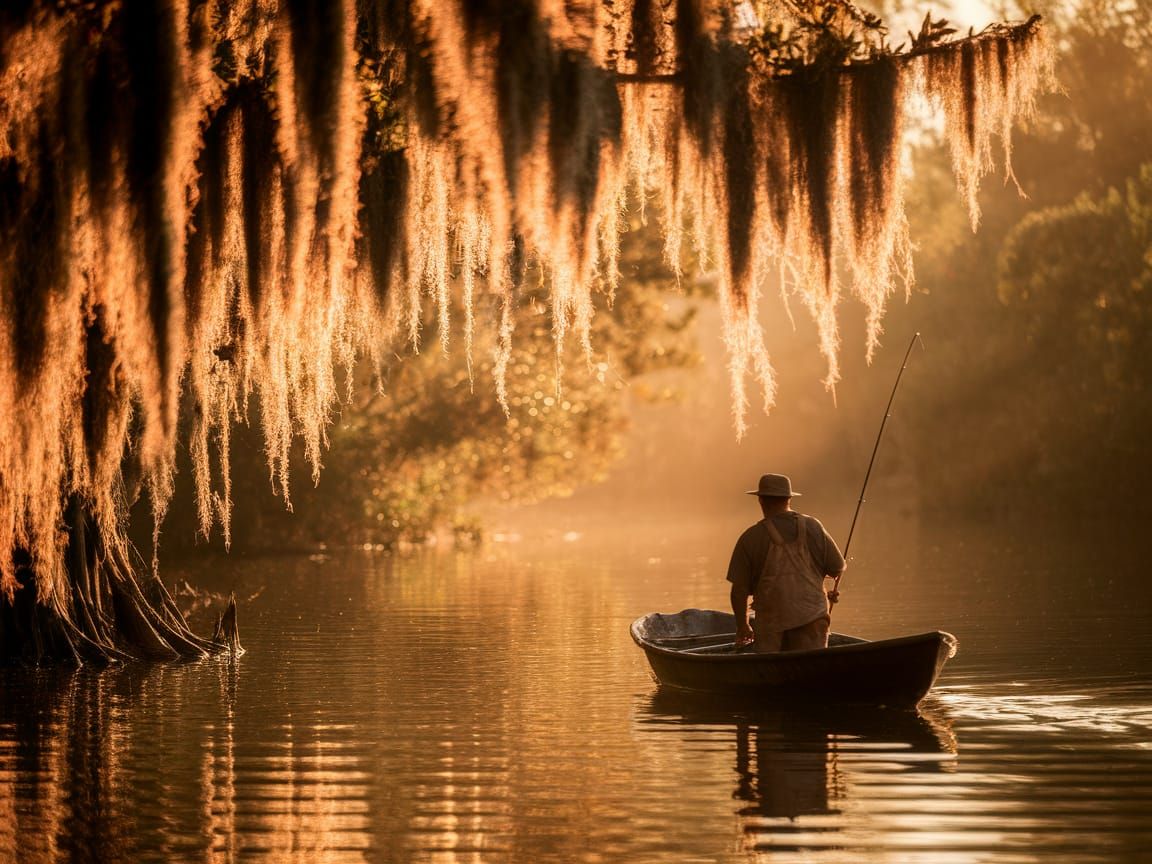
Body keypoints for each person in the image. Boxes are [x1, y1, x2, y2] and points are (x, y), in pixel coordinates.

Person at [727, 473, 845, 652]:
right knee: (810, 668)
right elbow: (837, 568)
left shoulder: (750, 538)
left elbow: (739, 591)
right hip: (813, 619)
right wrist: (827, 591)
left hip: (771, 627)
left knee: (769, 668)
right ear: (789, 499)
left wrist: (743, 626)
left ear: (761, 500)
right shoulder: (814, 526)